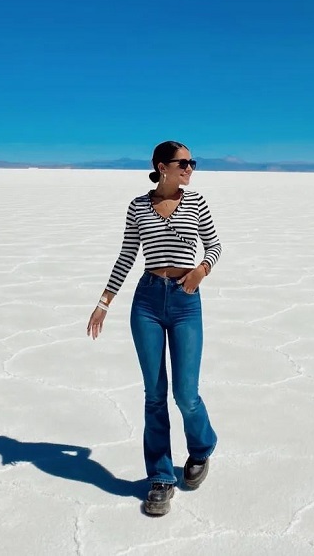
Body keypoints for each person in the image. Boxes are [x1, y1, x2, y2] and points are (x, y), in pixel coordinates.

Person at [87, 140, 222, 517]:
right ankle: (161, 477)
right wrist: (103, 302)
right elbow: (127, 254)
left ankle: (201, 447)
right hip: (146, 301)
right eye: (184, 162)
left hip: (184, 301)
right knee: (154, 395)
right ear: (162, 166)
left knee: (186, 394)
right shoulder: (138, 206)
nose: (190, 168)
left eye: (193, 162)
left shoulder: (197, 203)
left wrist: (200, 271)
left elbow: (214, 246)